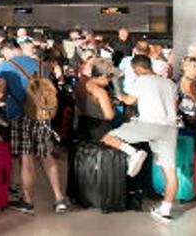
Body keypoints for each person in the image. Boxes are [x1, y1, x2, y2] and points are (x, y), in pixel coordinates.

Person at [101, 55, 180, 224]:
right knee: (170, 172)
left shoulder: (142, 80)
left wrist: (119, 94)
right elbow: (174, 104)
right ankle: (165, 211)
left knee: (108, 137)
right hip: (170, 129)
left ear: (137, 68)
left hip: (149, 125)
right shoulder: (170, 83)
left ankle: (133, 153)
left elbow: (130, 101)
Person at [0, 39, 67, 213]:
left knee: (27, 157)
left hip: (21, 115)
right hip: (42, 115)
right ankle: (59, 198)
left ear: (6, 50)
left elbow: (0, 93)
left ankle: (27, 200)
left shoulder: (5, 66)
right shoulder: (40, 64)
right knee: (46, 154)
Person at [75, 58, 117, 142]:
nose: (110, 81)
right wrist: (113, 106)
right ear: (104, 76)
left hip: (82, 124)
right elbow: (109, 116)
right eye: (110, 77)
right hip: (99, 129)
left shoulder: (80, 85)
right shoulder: (100, 92)